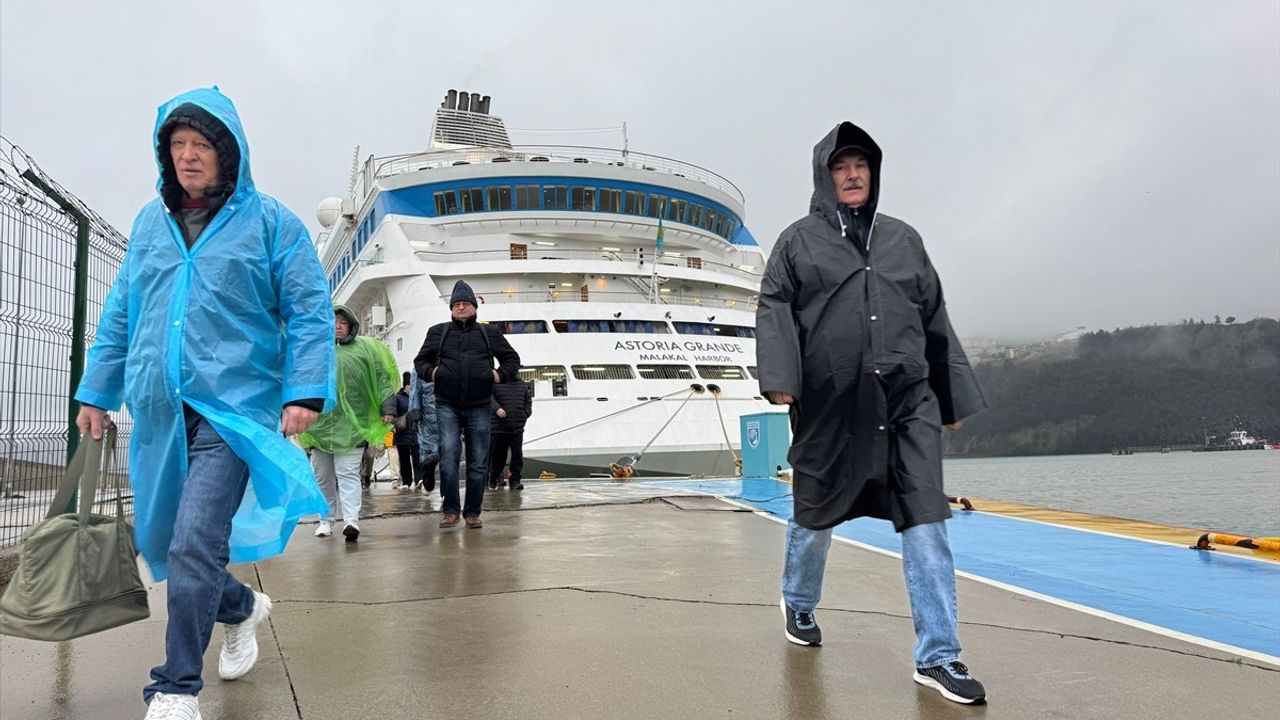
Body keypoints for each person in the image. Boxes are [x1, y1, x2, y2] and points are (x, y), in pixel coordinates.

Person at [74, 87, 336, 720]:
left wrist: (304, 390)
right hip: (160, 409)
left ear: (228, 154)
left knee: (195, 540)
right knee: (162, 542)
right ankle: (242, 607)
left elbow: (307, 309)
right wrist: (96, 390)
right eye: (178, 145)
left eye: (201, 146)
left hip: (234, 410)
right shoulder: (147, 223)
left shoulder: (272, 222)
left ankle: (174, 687)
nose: (189, 157)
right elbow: (121, 313)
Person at [755, 122, 989, 705]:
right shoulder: (796, 243)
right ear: (824, 176)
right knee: (814, 517)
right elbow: (774, 305)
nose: (853, 174)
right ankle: (799, 602)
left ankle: (939, 656)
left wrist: (951, 395)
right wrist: (781, 378)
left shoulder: (903, 239)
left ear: (874, 174)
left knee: (927, 520)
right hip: (831, 406)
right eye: (841, 167)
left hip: (908, 403)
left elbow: (933, 313)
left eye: (861, 165)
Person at [414, 280, 520, 529]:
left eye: (466, 304)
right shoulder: (438, 332)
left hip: (480, 403)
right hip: (446, 403)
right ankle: (450, 510)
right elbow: (420, 362)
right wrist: (433, 373)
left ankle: (472, 512)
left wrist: (498, 375)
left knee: (478, 460)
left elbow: (512, 359)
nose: (461, 307)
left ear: (475, 307)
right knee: (449, 455)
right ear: (451, 308)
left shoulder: (489, 333)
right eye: (457, 304)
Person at [299, 305, 399, 542]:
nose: (337, 326)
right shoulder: (315, 351)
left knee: (347, 473)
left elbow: (382, 378)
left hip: (355, 426)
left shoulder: (365, 349)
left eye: (342, 322)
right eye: (333, 321)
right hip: (320, 426)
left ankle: (351, 520)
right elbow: (300, 379)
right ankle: (325, 519)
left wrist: (388, 407)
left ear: (350, 324)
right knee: (323, 476)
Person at [489, 376, 533, 490]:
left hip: (517, 427)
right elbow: (489, 397)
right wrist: (497, 409)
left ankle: (515, 481)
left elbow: (528, 400)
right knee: (498, 457)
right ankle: (493, 477)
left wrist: (526, 413)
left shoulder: (521, 383)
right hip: (499, 428)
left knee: (517, 456)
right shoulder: (494, 382)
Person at [381, 372, 419, 490]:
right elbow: (393, 413)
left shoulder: (415, 396)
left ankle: (419, 479)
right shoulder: (398, 397)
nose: (411, 387)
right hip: (402, 432)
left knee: (417, 456)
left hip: (414, 431)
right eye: (410, 385)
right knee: (404, 459)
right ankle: (407, 481)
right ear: (406, 385)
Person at [409, 365, 441, 494]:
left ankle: (429, 470)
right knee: (444, 451)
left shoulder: (419, 367)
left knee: (431, 450)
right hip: (435, 414)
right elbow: (415, 390)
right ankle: (429, 471)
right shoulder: (420, 367)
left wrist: (415, 412)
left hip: (435, 412)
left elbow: (414, 391)